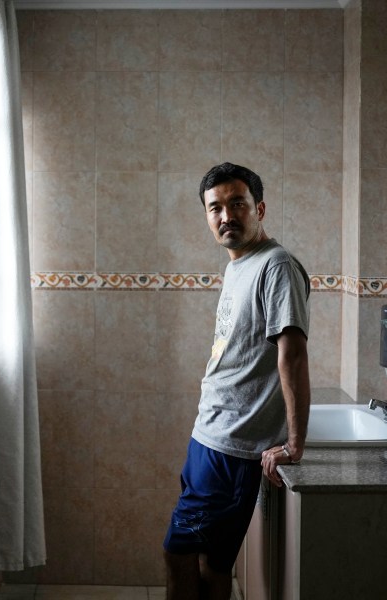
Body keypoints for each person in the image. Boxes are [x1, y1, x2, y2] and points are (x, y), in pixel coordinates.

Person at [162, 162, 311, 600]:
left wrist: (296, 441)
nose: (226, 216)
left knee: (178, 555)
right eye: (216, 208)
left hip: (231, 445)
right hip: (211, 433)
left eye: (237, 204)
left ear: (259, 209)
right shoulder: (239, 265)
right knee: (213, 564)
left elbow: (293, 353)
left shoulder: (277, 265)